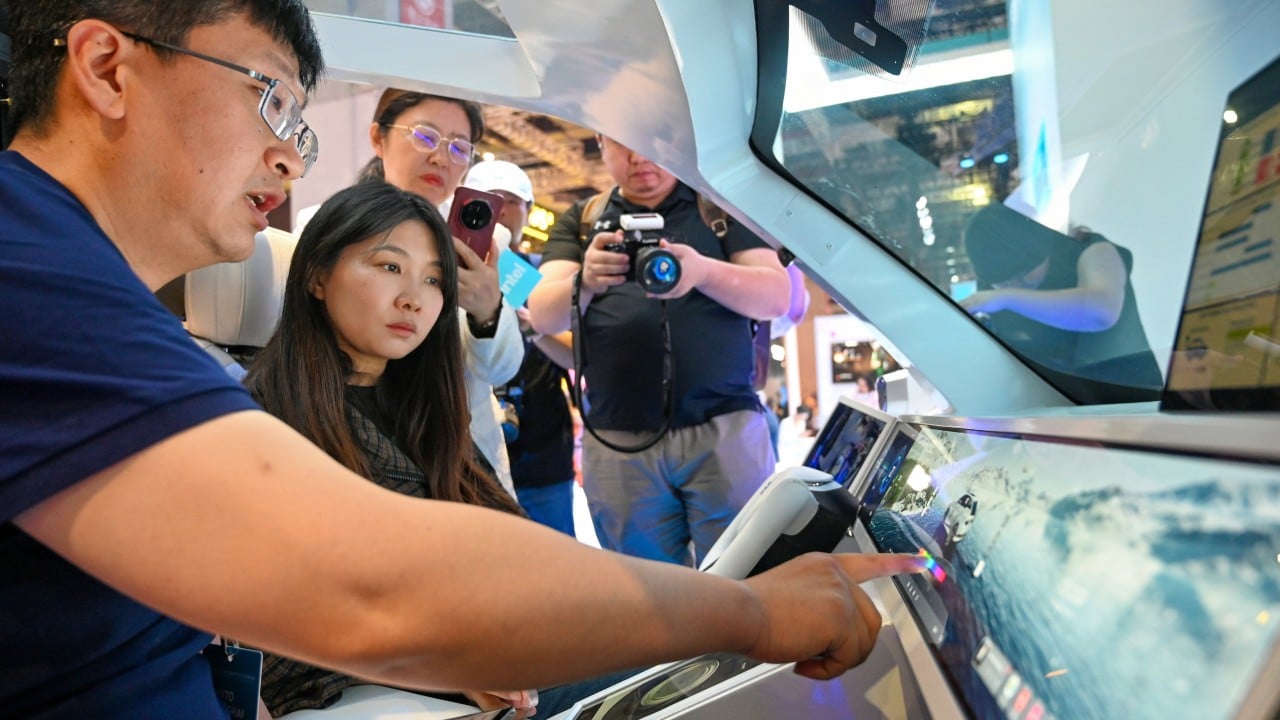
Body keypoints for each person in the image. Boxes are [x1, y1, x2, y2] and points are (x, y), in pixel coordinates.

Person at [0, 3, 924, 718]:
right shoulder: (30, 268)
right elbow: (368, 585)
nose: (286, 157)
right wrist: (753, 616)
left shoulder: (99, 298)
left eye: (432, 280)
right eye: (270, 98)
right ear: (107, 67)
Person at [245, 181, 618, 717]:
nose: (413, 299)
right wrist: (452, 661)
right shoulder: (264, 420)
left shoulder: (426, 409)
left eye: (434, 279)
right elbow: (295, 609)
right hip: (375, 676)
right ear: (317, 276)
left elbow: (506, 539)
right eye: (389, 267)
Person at [527, 134, 791, 567]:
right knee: (646, 589)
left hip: (724, 427)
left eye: (653, 138)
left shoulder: (719, 209)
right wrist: (585, 281)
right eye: (622, 142)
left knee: (746, 576)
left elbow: (776, 296)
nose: (639, 156)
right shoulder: (583, 220)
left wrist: (702, 272)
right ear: (600, 142)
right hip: (618, 438)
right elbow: (541, 314)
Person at [360, 88, 524, 495]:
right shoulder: (330, 228)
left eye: (459, 147)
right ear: (379, 137)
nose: (441, 158)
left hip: (462, 453)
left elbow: (502, 369)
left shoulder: (492, 245)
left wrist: (488, 311)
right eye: (425, 136)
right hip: (362, 439)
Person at [464, 159, 578, 535]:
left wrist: (534, 326)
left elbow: (577, 352)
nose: (501, 209)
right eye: (491, 199)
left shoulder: (547, 278)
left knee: (555, 557)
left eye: (512, 201)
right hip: (473, 448)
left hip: (544, 451)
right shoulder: (451, 270)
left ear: (529, 210)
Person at [960, 202, 1163, 395]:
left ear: (1042, 249)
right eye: (1004, 282)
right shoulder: (993, 291)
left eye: (1023, 274)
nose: (1016, 285)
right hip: (1055, 406)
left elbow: (1101, 313)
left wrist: (1006, 297)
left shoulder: (1090, 250)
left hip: (1129, 397)